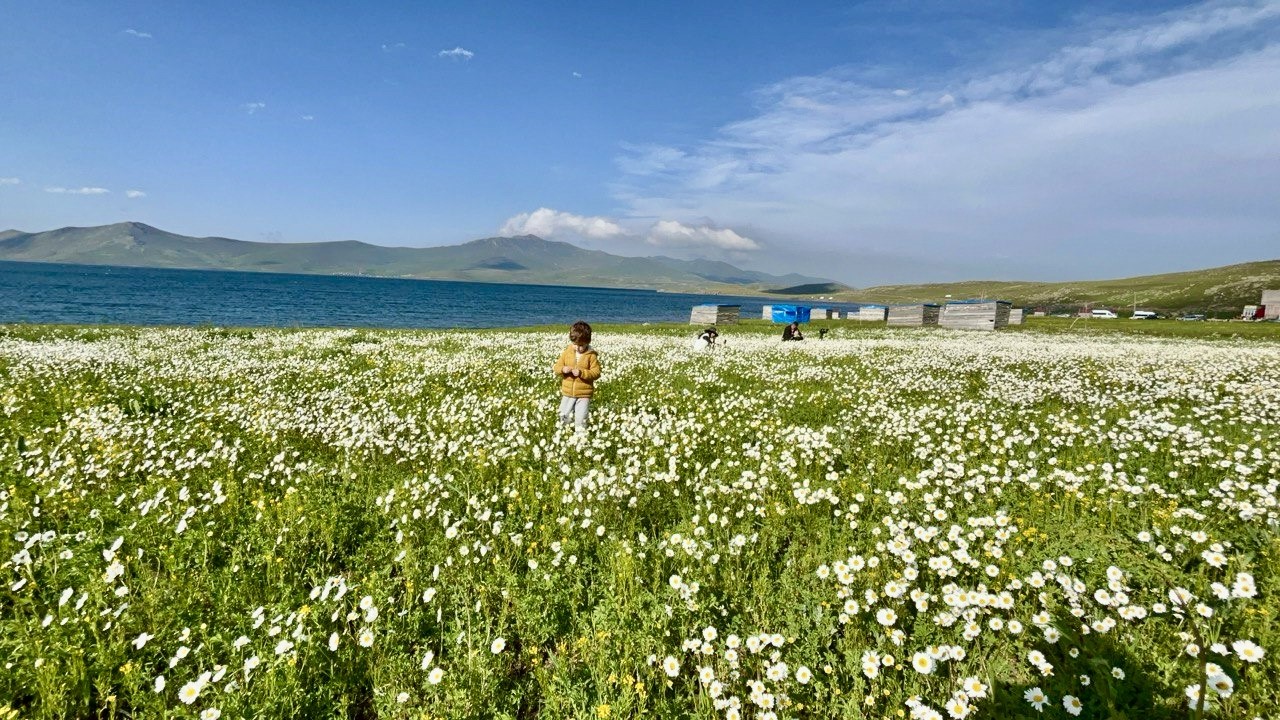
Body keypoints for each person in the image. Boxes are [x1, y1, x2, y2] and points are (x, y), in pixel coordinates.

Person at [553, 320, 602, 432]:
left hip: (584, 394)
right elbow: (557, 367)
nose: (577, 347)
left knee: (581, 418)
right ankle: (563, 434)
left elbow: (596, 373)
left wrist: (582, 373)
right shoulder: (568, 352)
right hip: (568, 392)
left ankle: (581, 438)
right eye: (575, 344)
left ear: (587, 342)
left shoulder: (591, 356)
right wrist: (563, 369)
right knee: (563, 416)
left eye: (581, 345)